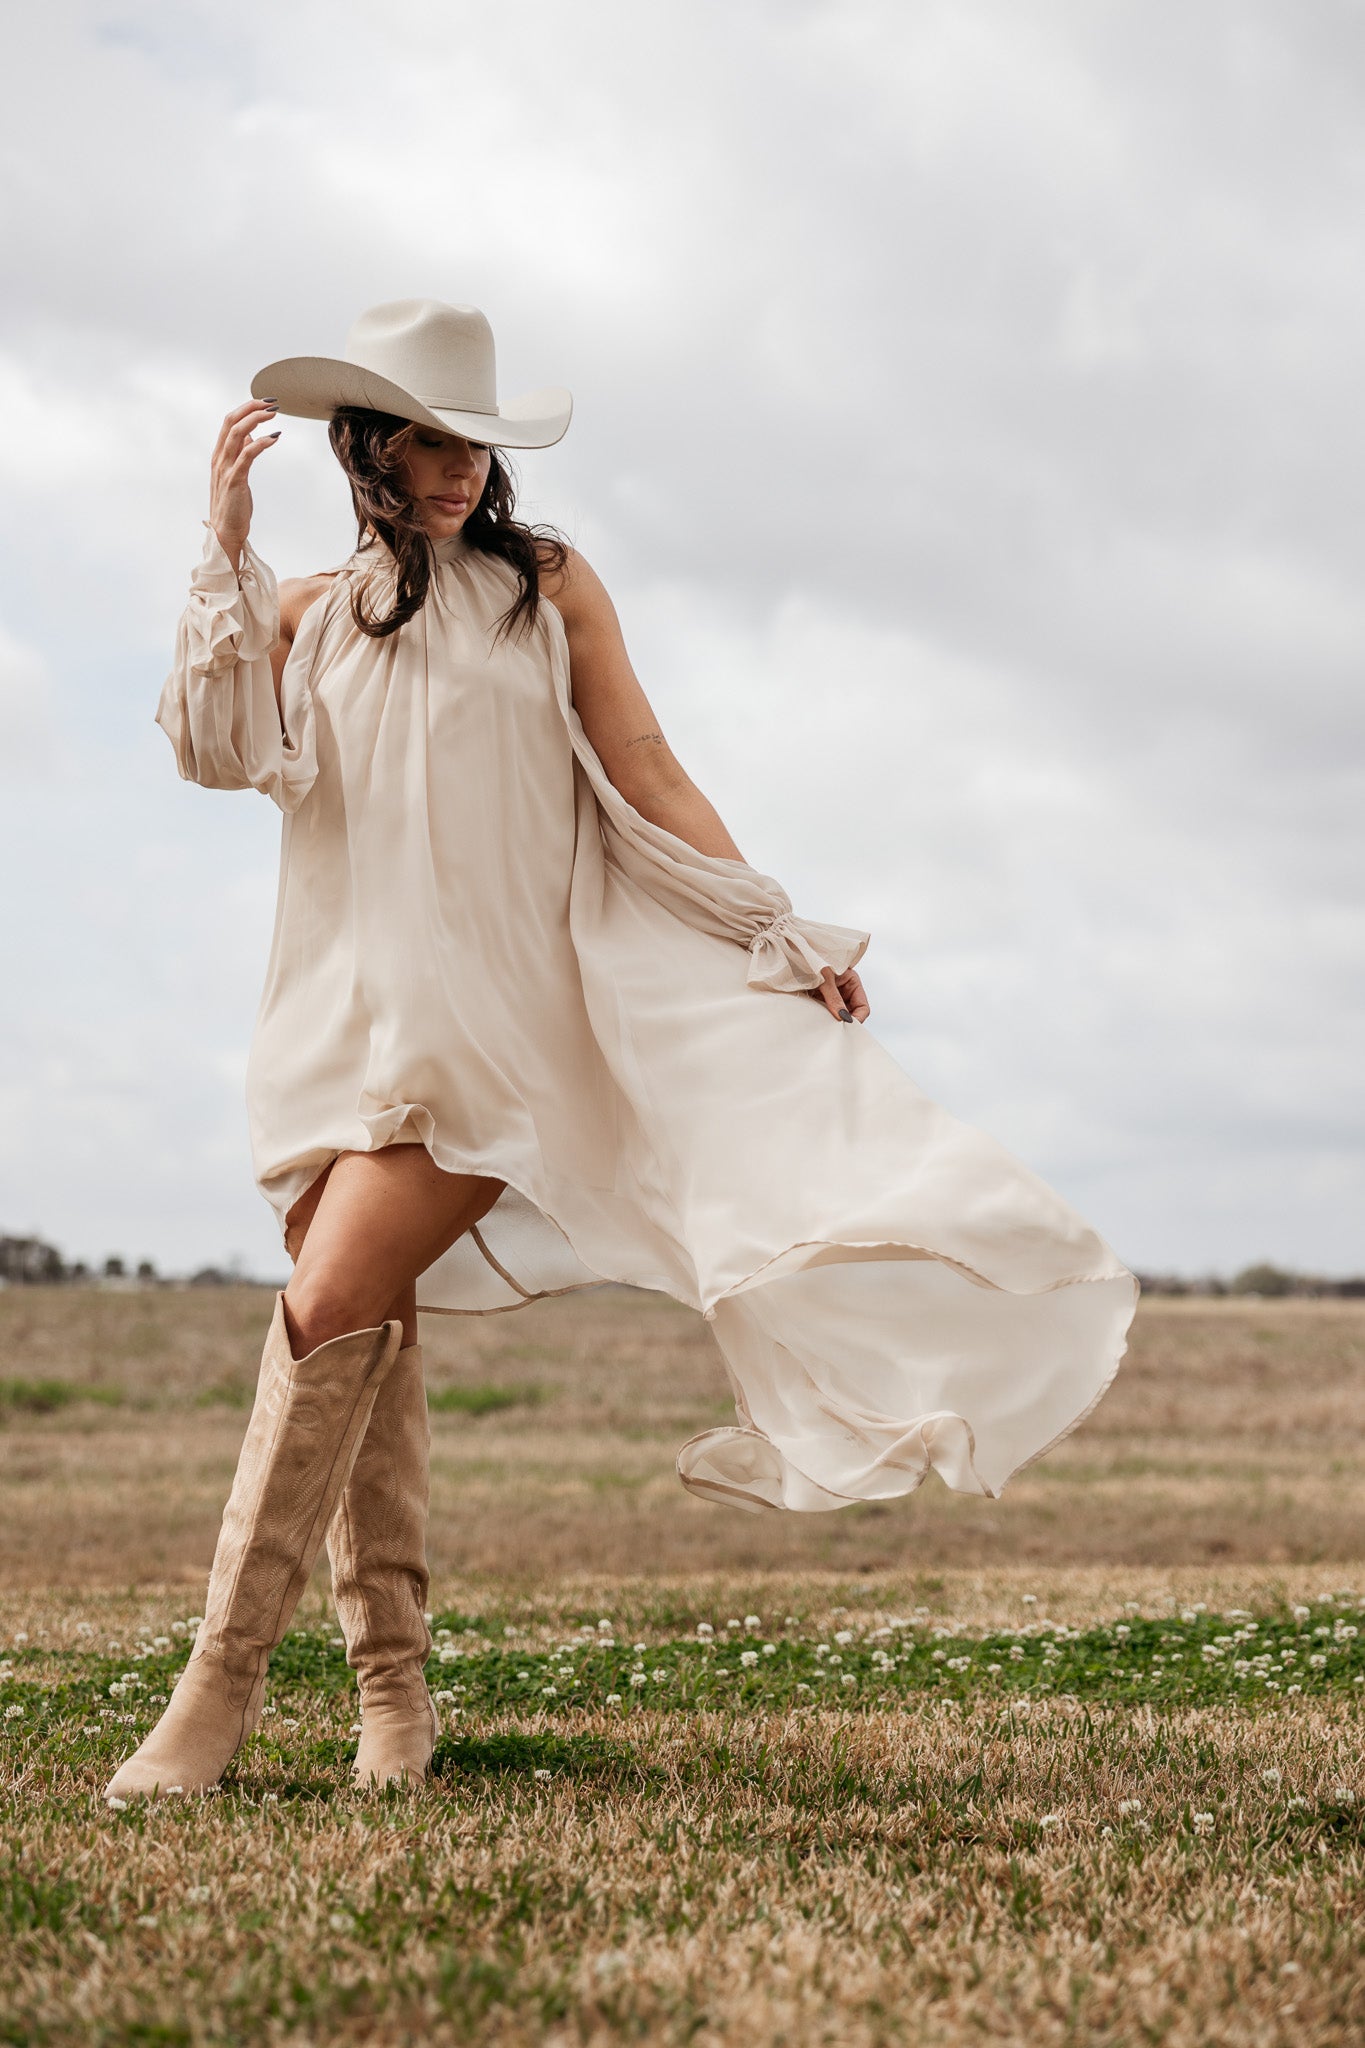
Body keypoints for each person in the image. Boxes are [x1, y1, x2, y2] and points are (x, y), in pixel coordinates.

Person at [106, 300, 1137, 1803]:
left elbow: (644, 768)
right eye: (428, 440)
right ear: (368, 448)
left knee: (328, 1302)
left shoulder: (547, 589)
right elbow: (213, 750)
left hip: (497, 1022)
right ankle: (393, 1698)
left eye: (475, 443)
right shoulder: (301, 611)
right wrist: (222, 541)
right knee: (362, 1324)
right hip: (333, 1012)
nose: (459, 469)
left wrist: (763, 923)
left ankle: (215, 1693)